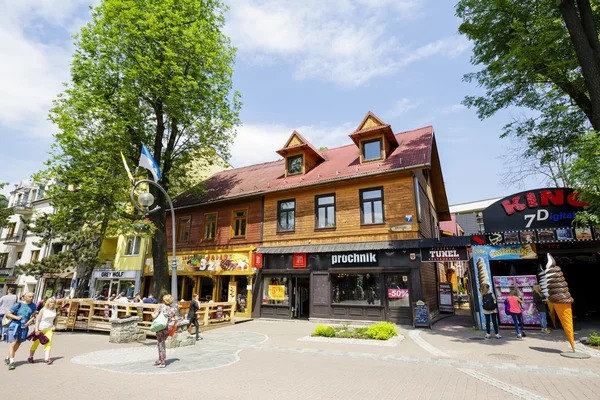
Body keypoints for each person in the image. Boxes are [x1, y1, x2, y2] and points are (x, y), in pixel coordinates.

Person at [4, 292, 37, 370]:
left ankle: (8, 357)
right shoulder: (18, 305)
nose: (31, 298)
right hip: (15, 325)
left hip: (24, 327)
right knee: (13, 343)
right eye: (29, 296)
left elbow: (33, 316)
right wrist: (16, 317)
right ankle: (12, 362)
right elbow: (8, 314)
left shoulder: (33, 305)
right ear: (24, 297)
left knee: (18, 343)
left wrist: (28, 323)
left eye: (32, 297)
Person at [151, 294, 178, 368]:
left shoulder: (161, 306)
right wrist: (173, 326)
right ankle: (160, 359)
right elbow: (176, 319)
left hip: (161, 326)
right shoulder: (173, 309)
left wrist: (151, 313)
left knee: (161, 343)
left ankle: (162, 361)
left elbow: (154, 316)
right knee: (161, 342)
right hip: (168, 327)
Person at [29, 297, 57, 365]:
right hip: (40, 329)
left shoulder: (55, 310)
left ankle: (47, 358)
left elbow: (56, 319)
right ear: (48, 303)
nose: (52, 304)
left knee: (48, 342)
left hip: (49, 329)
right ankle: (30, 357)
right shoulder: (43, 310)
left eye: (53, 302)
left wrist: (55, 326)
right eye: (51, 302)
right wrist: (36, 329)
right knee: (36, 343)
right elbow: (38, 320)